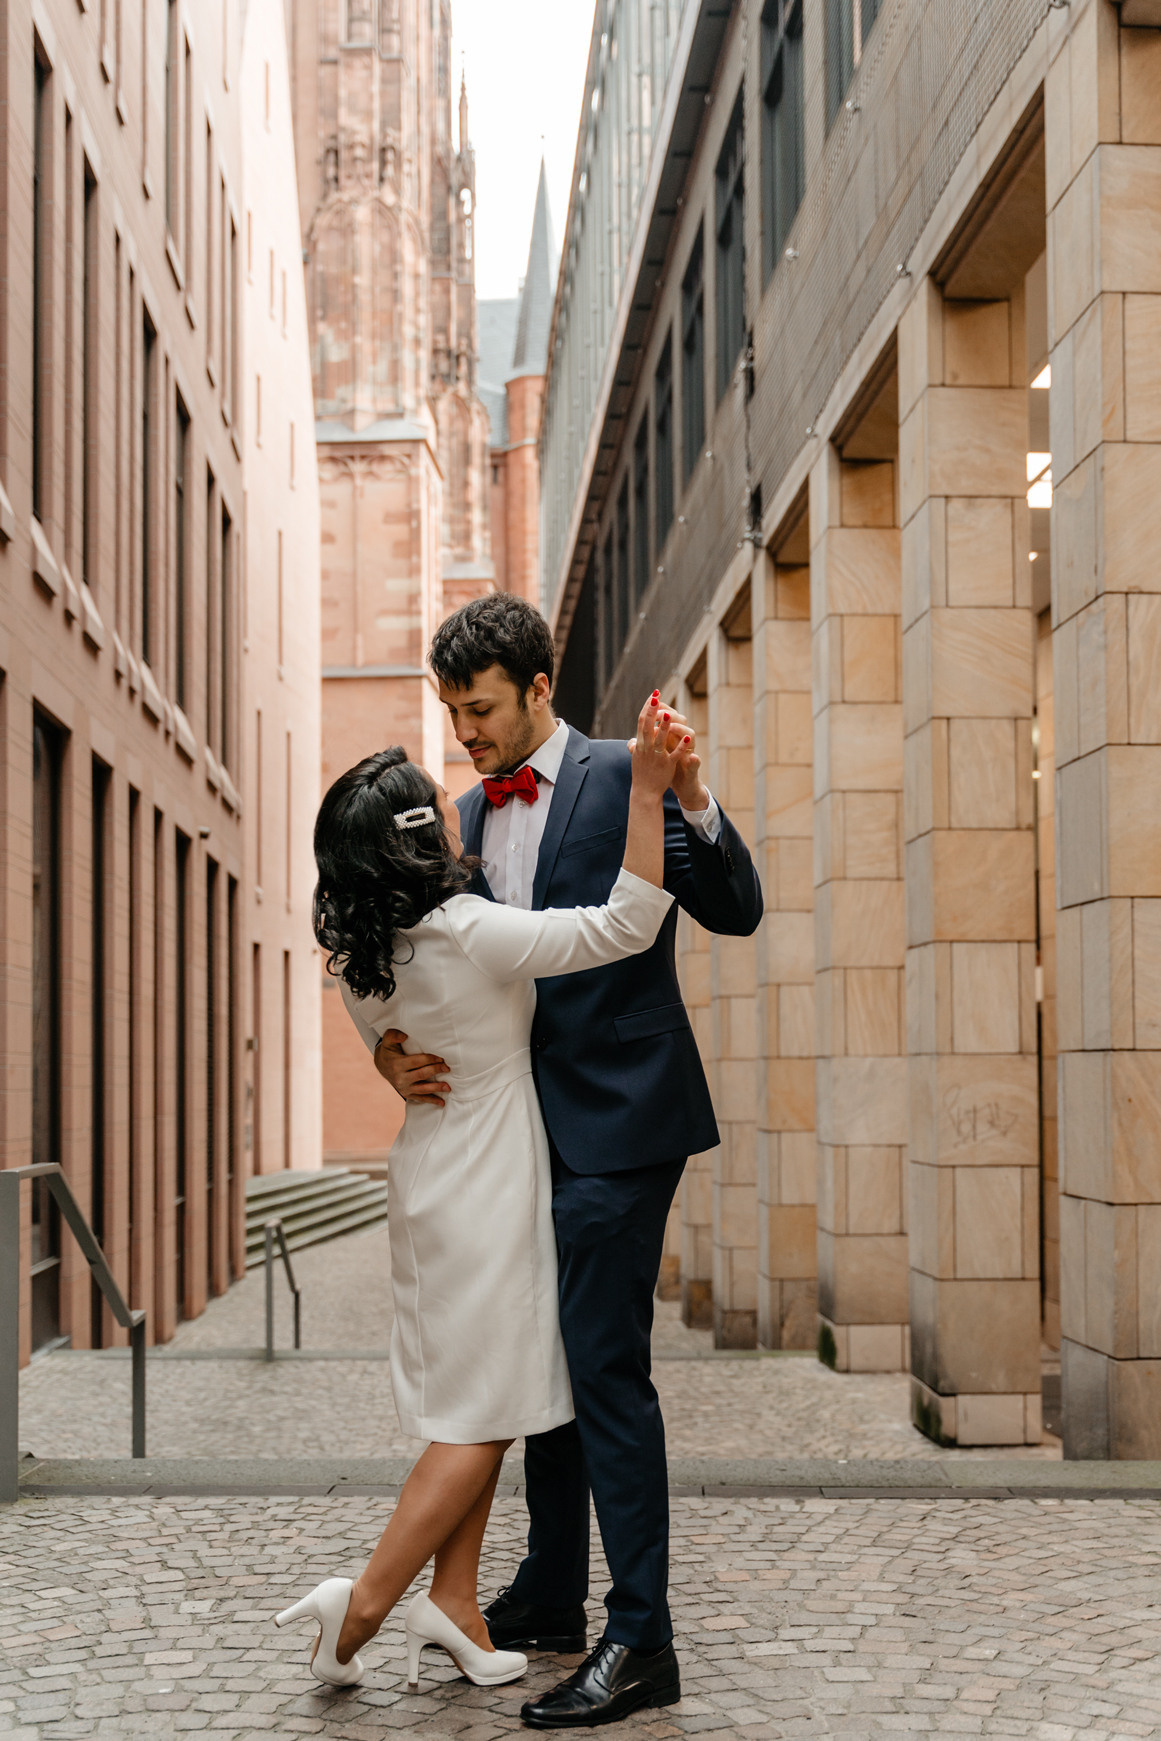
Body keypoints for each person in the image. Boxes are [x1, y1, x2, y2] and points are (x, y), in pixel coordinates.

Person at [373, 593, 764, 1729]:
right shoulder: (454, 815)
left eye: (480, 708)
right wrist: (392, 1050)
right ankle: (551, 1588)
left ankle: (642, 1636)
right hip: (515, 1134)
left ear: (540, 688)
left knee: (601, 1368)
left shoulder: (620, 774)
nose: (465, 735)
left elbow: (735, 906)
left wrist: (687, 793)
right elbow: (430, 970)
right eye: (450, 712)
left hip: (624, 1124)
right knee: (536, 1356)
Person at [274, 699, 690, 1699]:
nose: (456, 812)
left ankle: (456, 1605)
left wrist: (386, 1059)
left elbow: (393, 1041)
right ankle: (363, 1607)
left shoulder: (367, 954)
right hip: (494, 1181)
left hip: (427, 1175)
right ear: (423, 842)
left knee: (466, 1398)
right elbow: (625, 923)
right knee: (482, 1420)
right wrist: (644, 790)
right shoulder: (469, 931)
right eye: (435, 809)